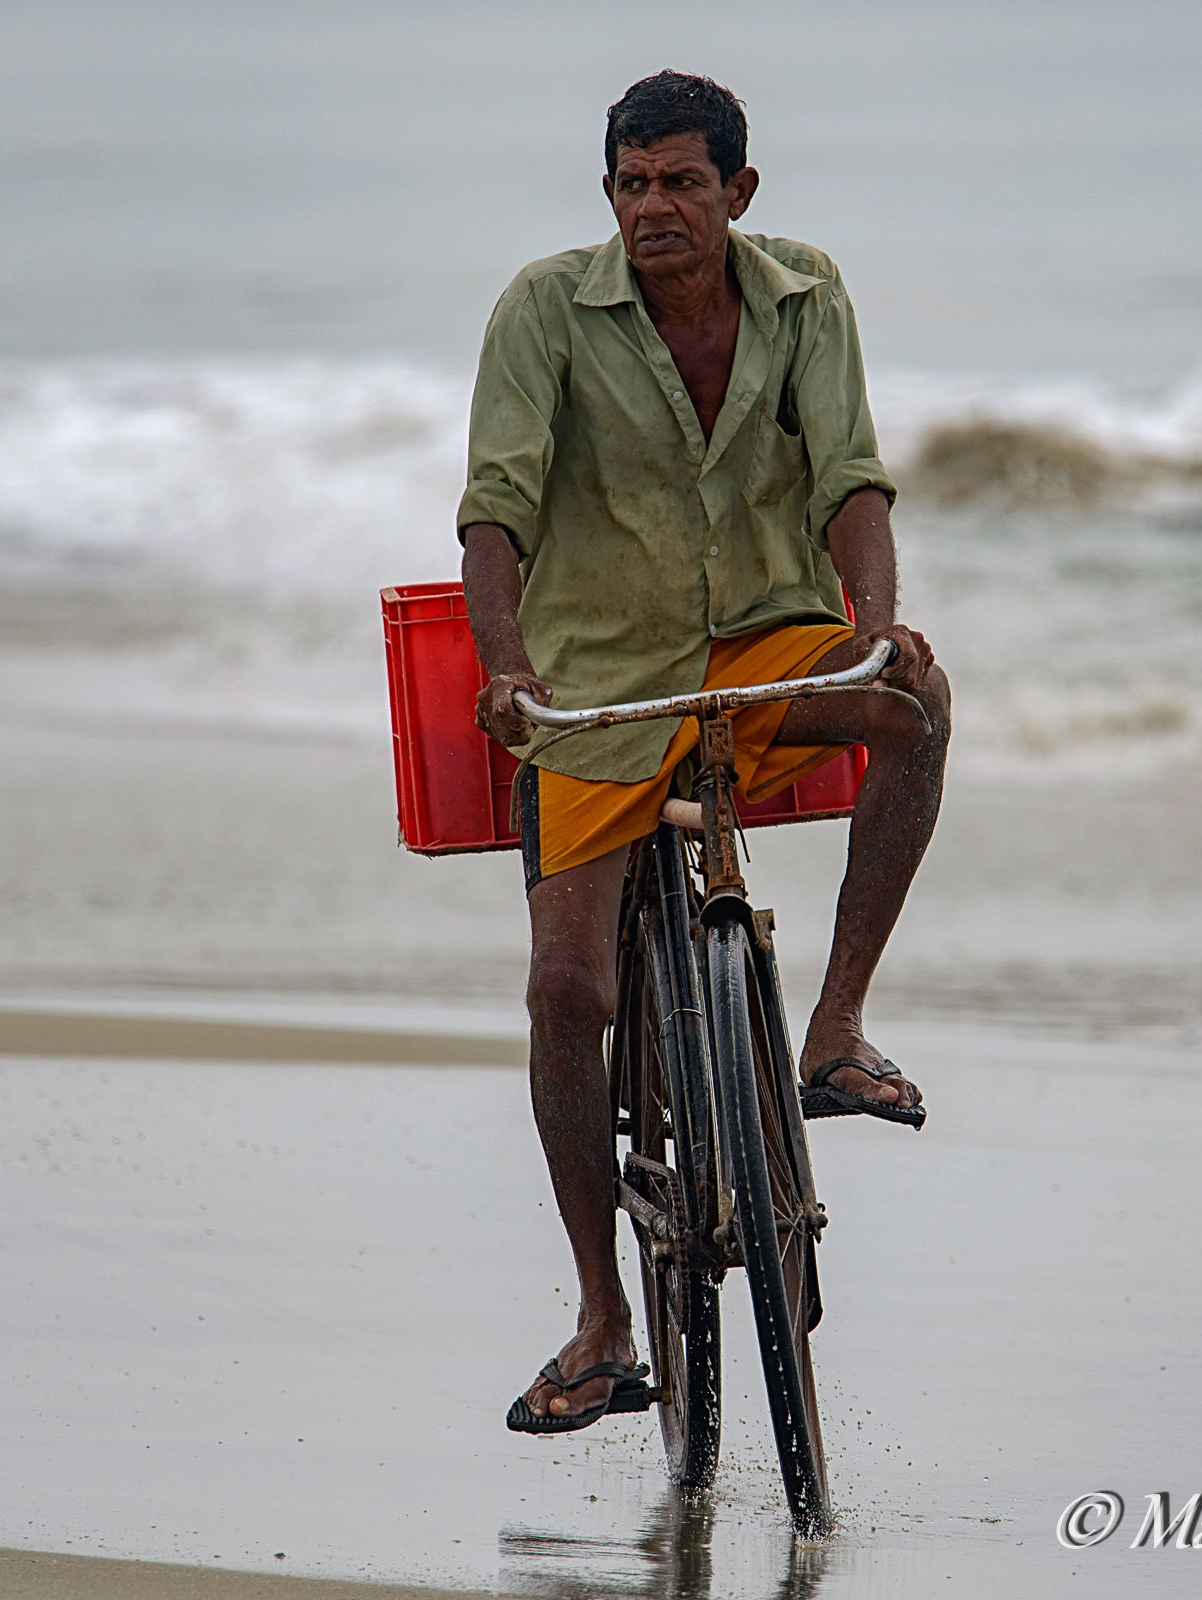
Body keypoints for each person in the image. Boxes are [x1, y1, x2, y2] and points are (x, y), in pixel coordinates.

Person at [459, 70, 952, 1435]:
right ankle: (601, 1319)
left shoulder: (805, 294)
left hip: (756, 646)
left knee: (918, 703)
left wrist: (876, 628)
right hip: (598, 682)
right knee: (565, 988)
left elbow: (850, 472)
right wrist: (506, 670)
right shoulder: (545, 310)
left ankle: (834, 1031)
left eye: (682, 182)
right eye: (631, 184)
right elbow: (494, 507)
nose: (654, 208)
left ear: (740, 192)